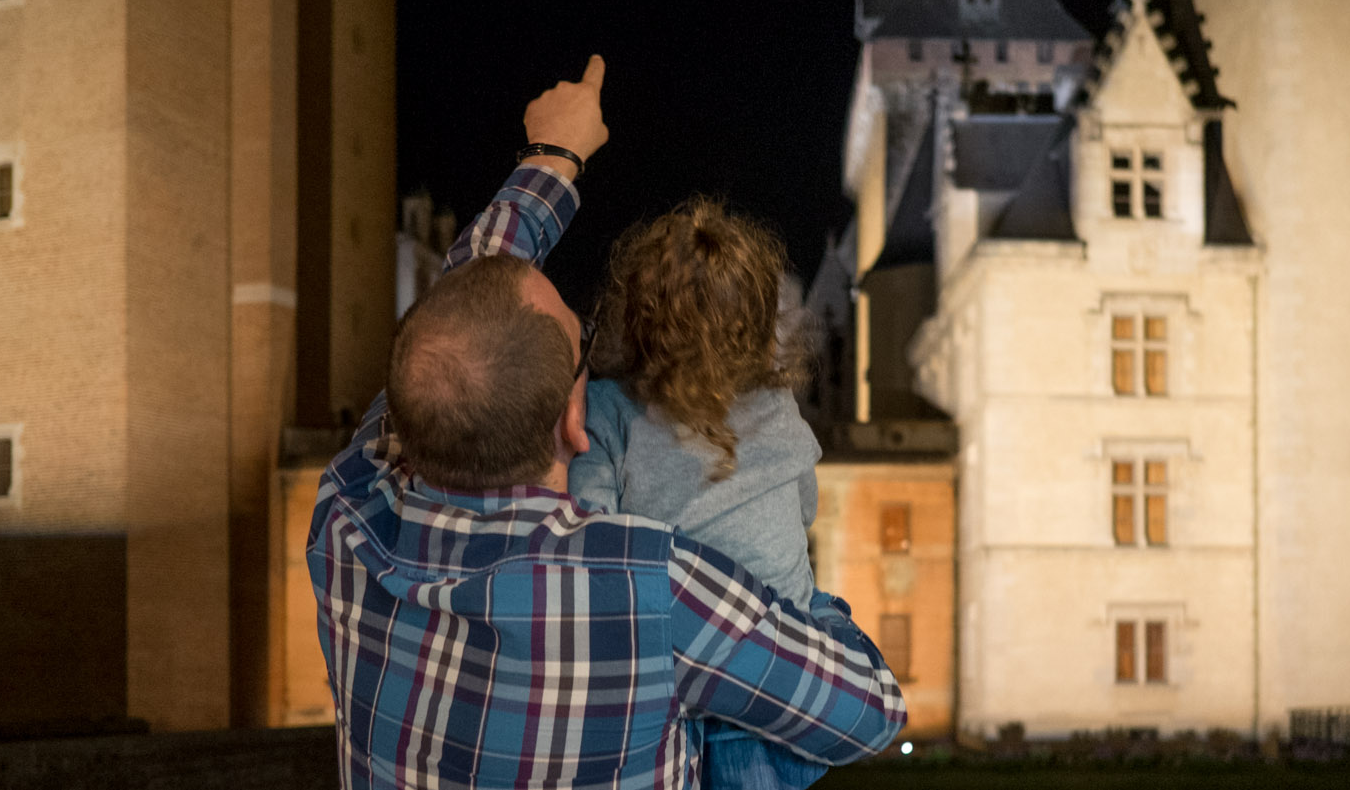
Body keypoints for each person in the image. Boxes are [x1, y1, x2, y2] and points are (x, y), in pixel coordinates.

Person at [306, 55, 906, 790]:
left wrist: (551, 161)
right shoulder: (650, 588)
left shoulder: (349, 513)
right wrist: (814, 607)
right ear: (573, 417)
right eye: (582, 341)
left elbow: (458, 319)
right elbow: (871, 708)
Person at [569, 201, 828, 790]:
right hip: (785, 689)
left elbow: (587, 529)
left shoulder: (610, 410)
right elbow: (803, 510)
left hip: (682, 700)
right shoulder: (778, 407)